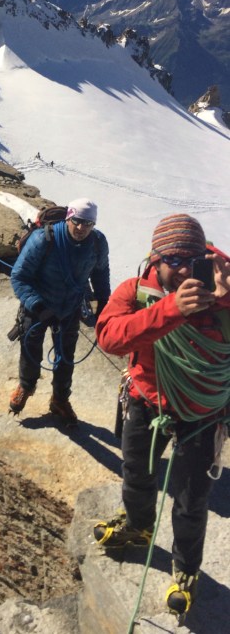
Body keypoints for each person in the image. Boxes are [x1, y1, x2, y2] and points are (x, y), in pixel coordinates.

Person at [94, 214, 230, 617]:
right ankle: (139, 525)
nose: (185, 270)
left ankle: (186, 569)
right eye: (174, 260)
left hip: (201, 415)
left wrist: (225, 299)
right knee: (136, 472)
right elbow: (109, 337)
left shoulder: (222, 288)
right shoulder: (138, 291)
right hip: (146, 401)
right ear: (156, 259)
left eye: (193, 259)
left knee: (190, 500)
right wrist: (171, 309)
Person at [8, 198, 110, 425]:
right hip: (38, 306)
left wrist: (104, 302)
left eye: (88, 223)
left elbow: (100, 273)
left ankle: (60, 399)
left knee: (66, 356)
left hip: (69, 307)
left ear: (94, 224)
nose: (81, 227)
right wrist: (38, 306)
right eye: (77, 221)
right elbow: (19, 276)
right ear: (68, 218)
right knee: (31, 347)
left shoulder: (97, 243)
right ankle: (26, 385)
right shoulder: (43, 239)